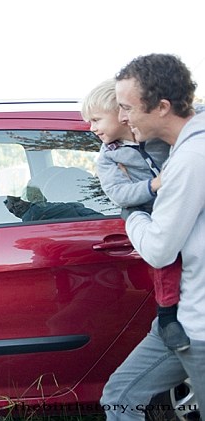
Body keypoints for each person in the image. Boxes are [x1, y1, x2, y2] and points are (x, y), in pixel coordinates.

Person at [101, 53, 205, 420]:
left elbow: (159, 249)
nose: (122, 117)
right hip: (181, 317)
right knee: (120, 395)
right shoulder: (181, 151)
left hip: (200, 326)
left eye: (127, 107)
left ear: (162, 107)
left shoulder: (192, 157)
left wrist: (132, 216)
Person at [81, 78, 189, 352]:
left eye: (96, 119)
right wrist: (153, 186)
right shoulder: (109, 157)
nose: (91, 128)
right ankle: (167, 317)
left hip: (184, 204)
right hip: (152, 213)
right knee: (165, 260)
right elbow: (119, 194)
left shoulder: (157, 136)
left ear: (122, 113)